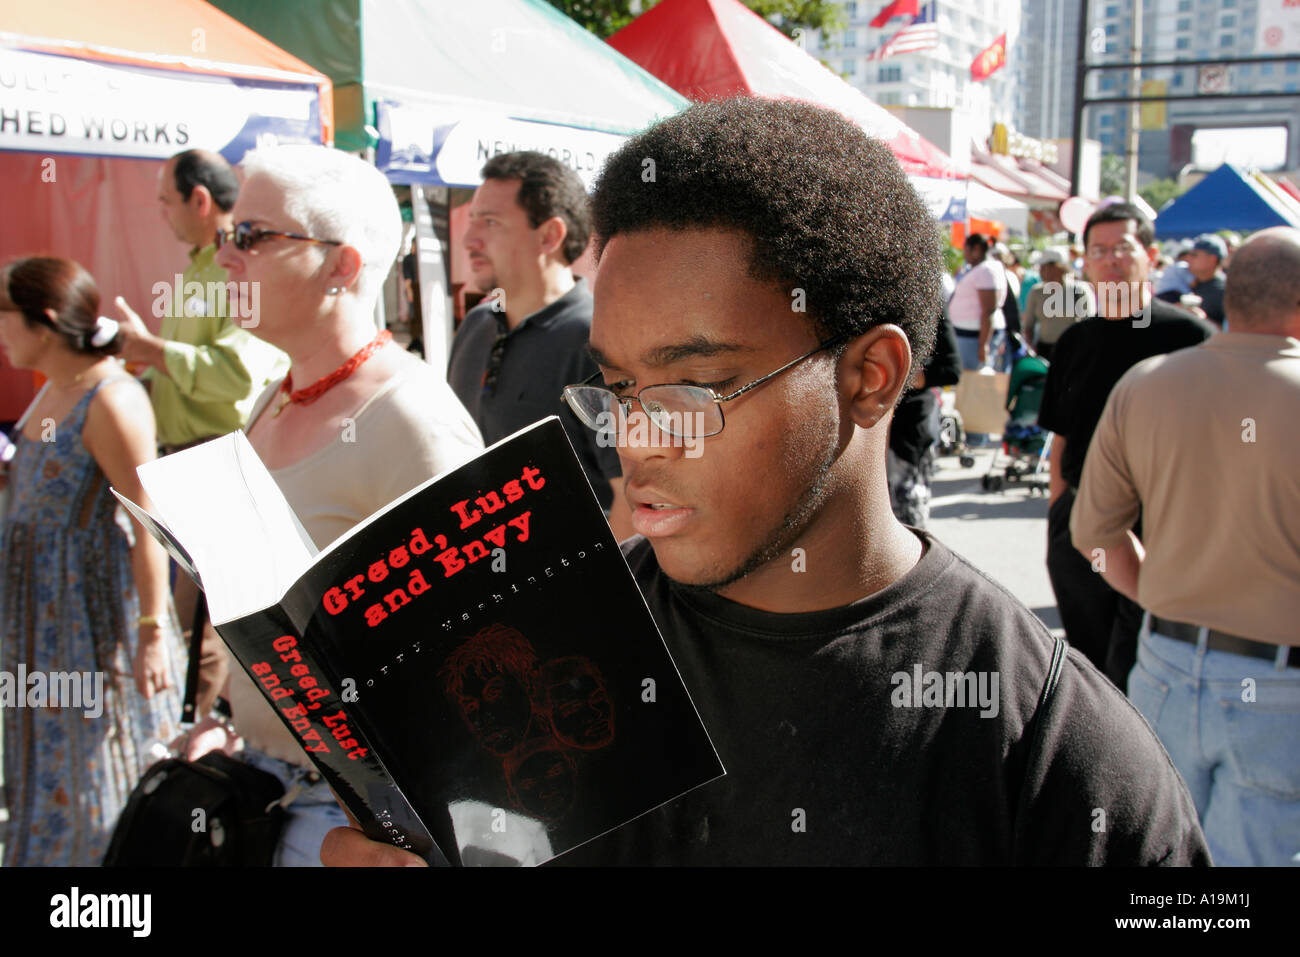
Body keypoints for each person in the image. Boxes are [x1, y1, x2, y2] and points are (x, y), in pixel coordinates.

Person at [323, 98, 1209, 866]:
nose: (635, 440)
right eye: (618, 388)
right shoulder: (536, 652)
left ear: (869, 377)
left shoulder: (1054, 750)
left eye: (690, 387)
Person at [181, 144, 483, 866]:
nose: (225, 258)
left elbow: (472, 650)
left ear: (342, 266)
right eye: (227, 235)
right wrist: (227, 719)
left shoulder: (411, 418)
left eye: (250, 236)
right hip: (264, 784)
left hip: (356, 821)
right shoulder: (275, 396)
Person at [1071, 227, 1300, 866]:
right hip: (1278, 686)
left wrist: (1164, 597)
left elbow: (1093, 534)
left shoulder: (1147, 383)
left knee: (1158, 856)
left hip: (1163, 662)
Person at [0, 257, 185, 866]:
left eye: (4, 315)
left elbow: (147, 524)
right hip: (36, 632)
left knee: (91, 781)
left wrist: (153, 633)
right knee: (42, 774)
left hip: (85, 629)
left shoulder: (113, 398)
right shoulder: (53, 390)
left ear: (44, 322)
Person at [112, 149, 288, 721]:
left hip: (215, 459)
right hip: (183, 460)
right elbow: (188, 372)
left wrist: (150, 352)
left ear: (200, 200)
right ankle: (193, 729)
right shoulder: (195, 271)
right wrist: (131, 368)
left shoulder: (234, 271)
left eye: (166, 199)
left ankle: (198, 735)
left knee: (200, 618)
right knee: (187, 614)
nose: (161, 212)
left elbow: (234, 376)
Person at [1038, 202, 1216, 689]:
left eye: (1123, 248)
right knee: (1089, 666)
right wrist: (1058, 513)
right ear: (1085, 261)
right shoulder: (1075, 340)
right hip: (1079, 521)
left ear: (1151, 255)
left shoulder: (1191, 338)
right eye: (1099, 250)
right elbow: (1062, 435)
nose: (1110, 259)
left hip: (1161, 521)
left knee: (1148, 664)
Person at [446, 152, 632, 541]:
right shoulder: (478, 325)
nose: (469, 239)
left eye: (491, 222)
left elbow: (630, 499)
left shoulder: (596, 338)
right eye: (472, 219)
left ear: (549, 236)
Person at [886, 309, 960, 527]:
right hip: (866, 430)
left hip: (909, 431)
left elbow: (950, 369)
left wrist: (896, 378)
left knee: (908, 520)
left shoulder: (929, 302)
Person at [1021, 248, 1093, 362]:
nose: (1041, 271)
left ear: (1058, 267)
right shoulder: (1036, 292)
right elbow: (1028, 325)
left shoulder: (1078, 290)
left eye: (1045, 267)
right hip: (1044, 351)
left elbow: (1089, 324)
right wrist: (1029, 346)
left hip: (1071, 350)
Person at [948, 233, 1007, 371]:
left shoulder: (986, 270)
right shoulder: (985, 268)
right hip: (971, 335)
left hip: (975, 337)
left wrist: (983, 345)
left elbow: (988, 310)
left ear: (977, 249)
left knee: (975, 380)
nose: (964, 254)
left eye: (966, 250)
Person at [1155, 233, 1227, 328]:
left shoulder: (1226, 291)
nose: (1188, 258)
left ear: (1212, 259)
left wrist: (1201, 320)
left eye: (1194, 255)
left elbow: (1235, 332)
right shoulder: (1184, 280)